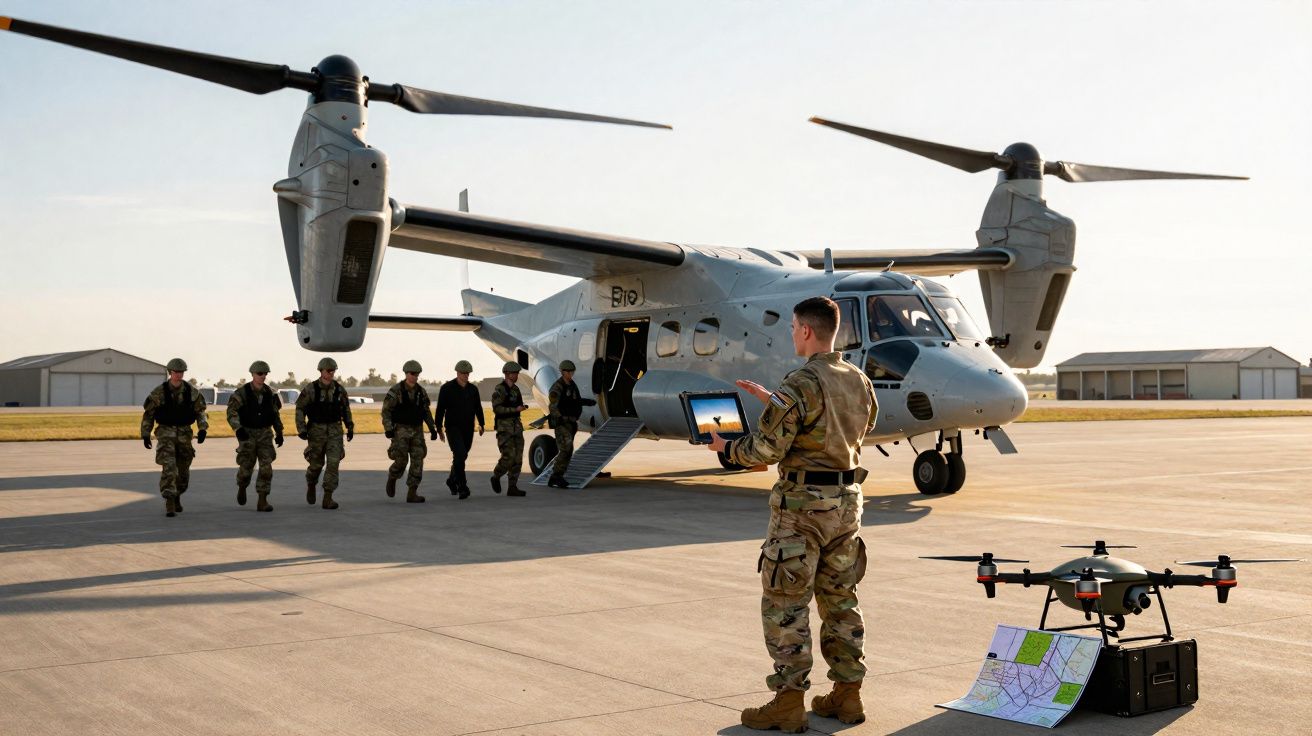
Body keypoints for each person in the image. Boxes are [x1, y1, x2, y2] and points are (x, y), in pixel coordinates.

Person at [708, 296, 878, 731]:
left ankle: (787, 703)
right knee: (841, 601)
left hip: (801, 511)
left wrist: (727, 447)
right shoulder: (857, 378)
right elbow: (857, 427)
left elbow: (765, 449)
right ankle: (847, 696)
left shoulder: (802, 381)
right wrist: (777, 403)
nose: (792, 334)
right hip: (846, 506)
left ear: (805, 330)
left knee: (786, 604)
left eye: (792, 328)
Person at [140, 357, 208, 517]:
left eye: (181, 372)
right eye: (176, 372)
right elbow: (148, 415)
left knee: (183, 473)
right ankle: (169, 500)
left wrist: (203, 428)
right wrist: (145, 434)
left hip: (185, 435)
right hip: (165, 434)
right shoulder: (158, 393)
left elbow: (201, 412)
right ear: (170, 372)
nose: (179, 375)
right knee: (169, 469)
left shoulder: (192, 393)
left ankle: (177, 494)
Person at [295, 357, 354, 510]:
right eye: (328, 370)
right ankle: (311, 483)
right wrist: (301, 428)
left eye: (333, 370)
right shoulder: (310, 389)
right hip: (316, 432)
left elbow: (346, 410)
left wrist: (350, 426)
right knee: (316, 465)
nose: (331, 373)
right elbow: (300, 409)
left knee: (333, 463)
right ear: (321, 371)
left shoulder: (340, 390)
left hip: (335, 431)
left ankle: (328, 497)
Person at [226, 360, 284, 512]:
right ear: (252, 374)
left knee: (266, 468)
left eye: (265, 374)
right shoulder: (241, 393)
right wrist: (238, 429)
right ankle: (242, 486)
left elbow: (275, 414)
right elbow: (231, 413)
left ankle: (262, 500)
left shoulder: (271, 393)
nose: (263, 376)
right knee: (246, 468)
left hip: (265, 434)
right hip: (248, 434)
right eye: (260, 373)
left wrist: (279, 432)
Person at [381, 359, 437, 503]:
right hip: (400, 431)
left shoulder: (421, 392)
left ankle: (412, 492)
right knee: (401, 460)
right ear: (406, 374)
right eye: (412, 373)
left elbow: (425, 411)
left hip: (417, 431)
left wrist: (432, 428)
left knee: (418, 460)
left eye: (417, 374)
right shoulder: (396, 391)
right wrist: (388, 429)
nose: (414, 376)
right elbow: (386, 411)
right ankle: (393, 476)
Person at [434, 359, 485, 499]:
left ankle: (451, 480)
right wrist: (438, 428)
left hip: (468, 428)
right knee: (460, 453)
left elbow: (478, 408)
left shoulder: (473, 389)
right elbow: (440, 409)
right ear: (457, 372)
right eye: (463, 373)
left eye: (468, 373)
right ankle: (462, 486)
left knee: (461, 455)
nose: (466, 376)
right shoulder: (447, 389)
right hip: (452, 427)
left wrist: (482, 424)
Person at [546, 359, 595, 488]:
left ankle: (556, 477)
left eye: (572, 371)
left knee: (568, 450)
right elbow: (552, 407)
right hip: (562, 423)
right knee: (566, 449)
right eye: (568, 372)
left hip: (571, 423)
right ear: (562, 372)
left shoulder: (572, 385)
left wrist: (587, 402)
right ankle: (556, 476)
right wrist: (560, 418)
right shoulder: (557, 387)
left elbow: (575, 401)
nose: (570, 374)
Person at [489, 361, 529, 497]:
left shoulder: (516, 390)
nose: (516, 376)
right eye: (514, 373)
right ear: (507, 374)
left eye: (517, 373)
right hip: (504, 428)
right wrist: (514, 409)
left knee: (518, 458)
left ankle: (512, 486)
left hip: (517, 427)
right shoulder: (499, 389)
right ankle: (496, 476)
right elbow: (497, 409)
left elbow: (518, 405)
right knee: (508, 456)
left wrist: (521, 408)